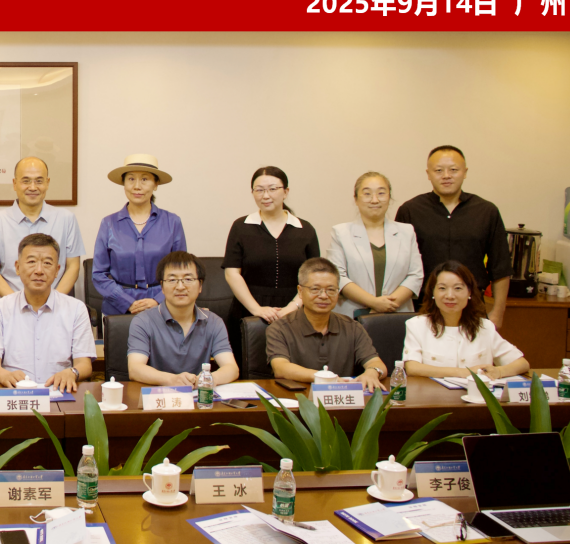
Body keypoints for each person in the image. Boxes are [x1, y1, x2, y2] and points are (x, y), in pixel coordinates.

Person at [395, 145, 512, 328]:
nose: (446, 175)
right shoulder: (410, 211)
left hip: (473, 306)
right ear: (428, 174)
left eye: (453, 170)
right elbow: (398, 266)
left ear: (465, 172)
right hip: (423, 307)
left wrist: (498, 312)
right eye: (439, 170)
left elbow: (501, 267)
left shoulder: (486, 211)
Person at [223, 166, 320, 361]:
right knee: (247, 367)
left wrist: (293, 307)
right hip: (248, 310)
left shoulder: (305, 229)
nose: (265, 195)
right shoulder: (241, 227)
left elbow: (313, 276)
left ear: (286, 191)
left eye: (273, 189)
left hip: (295, 311)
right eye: (259, 190)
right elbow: (232, 273)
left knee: (293, 367)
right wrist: (257, 309)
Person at [0, 233, 96, 392]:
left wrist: (72, 372)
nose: (39, 270)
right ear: (17, 267)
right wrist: (3, 375)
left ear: (57, 270)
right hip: (14, 394)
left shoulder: (76, 309)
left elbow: (84, 364)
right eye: (31, 262)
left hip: (59, 392)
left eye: (47, 263)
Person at [266, 257, 387, 392]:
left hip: (342, 399)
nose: (324, 296)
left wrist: (372, 372)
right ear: (300, 291)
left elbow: (376, 363)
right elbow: (280, 368)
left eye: (331, 289)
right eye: (315, 289)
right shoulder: (279, 328)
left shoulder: (352, 327)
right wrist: (324, 378)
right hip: (296, 399)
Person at [93, 154, 187, 316]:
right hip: (118, 309)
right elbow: (98, 274)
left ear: (156, 184)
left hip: (163, 307)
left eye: (144, 179)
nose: (137, 186)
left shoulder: (172, 222)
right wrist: (126, 302)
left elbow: (181, 270)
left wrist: (158, 300)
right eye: (131, 179)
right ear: (123, 183)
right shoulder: (108, 223)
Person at [127, 251, 239, 386]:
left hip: (198, 394)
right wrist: (174, 380)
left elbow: (231, 368)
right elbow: (135, 369)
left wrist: (205, 380)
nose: (180, 287)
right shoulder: (143, 321)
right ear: (162, 287)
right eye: (172, 280)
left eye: (188, 279)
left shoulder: (214, 322)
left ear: (200, 286)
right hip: (159, 394)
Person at [403, 260, 529, 379]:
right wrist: (463, 372)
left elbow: (522, 364)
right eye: (442, 288)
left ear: (469, 292)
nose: (450, 296)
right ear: (433, 292)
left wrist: (499, 372)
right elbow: (412, 368)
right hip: (433, 394)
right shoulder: (416, 325)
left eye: (458, 288)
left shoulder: (484, 327)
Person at [0, 157, 85, 297]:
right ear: (15, 184)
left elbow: (73, 266)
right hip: (9, 303)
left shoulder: (66, 219)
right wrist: (15, 304)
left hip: (55, 304)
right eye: (26, 181)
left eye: (39, 181)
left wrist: (54, 302)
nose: (32, 187)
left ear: (47, 183)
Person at [327, 172, 424, 317]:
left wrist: (388, 305)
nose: (374, 200)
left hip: (398, 314)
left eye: (381, 193)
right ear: (356, 199)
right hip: (353, 316)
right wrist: (374, 303)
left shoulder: (406, 231)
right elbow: (337, 276)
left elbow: (415, 275)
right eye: (367, 194)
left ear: (389, 197)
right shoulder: (341, 233)